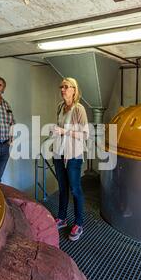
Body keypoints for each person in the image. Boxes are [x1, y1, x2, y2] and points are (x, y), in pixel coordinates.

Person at [52, 77, 89, 241]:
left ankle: (79, 223)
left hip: (73, 155)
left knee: (75, 189)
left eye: (66, 87)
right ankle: (62, 218)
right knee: (62, 187)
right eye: (62, 87)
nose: (63, 89)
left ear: (74, 90)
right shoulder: (60, 107)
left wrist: (63, 131)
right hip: (59, 154)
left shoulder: (79, 109)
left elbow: (85, 134)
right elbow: (59, 129)